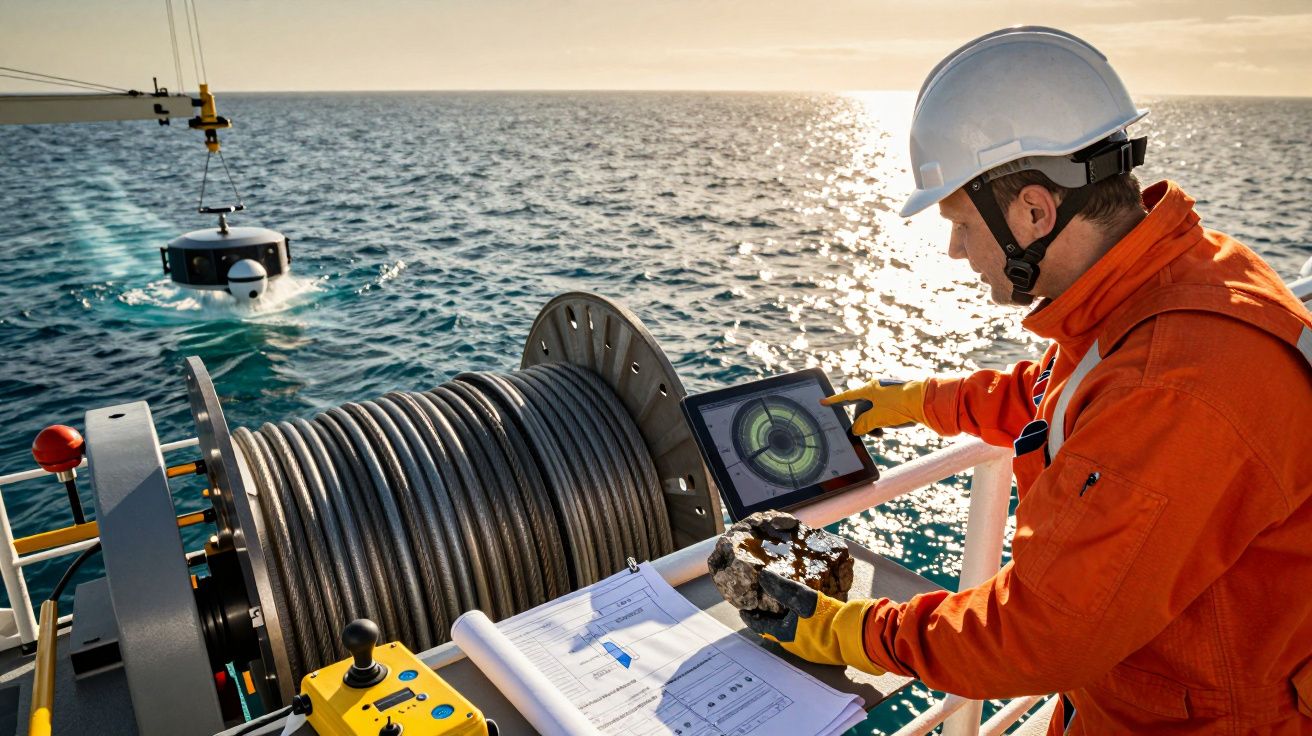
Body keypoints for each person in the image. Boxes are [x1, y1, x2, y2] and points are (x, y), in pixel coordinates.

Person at [737, 26, 1312, 734]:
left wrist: (852, 633)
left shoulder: (1173, 385)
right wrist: (922, 403)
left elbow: (1038, 634)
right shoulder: (1171, 281)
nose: (953, 251)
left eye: (960, 224)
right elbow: (1059, 399)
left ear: (1035, 212)